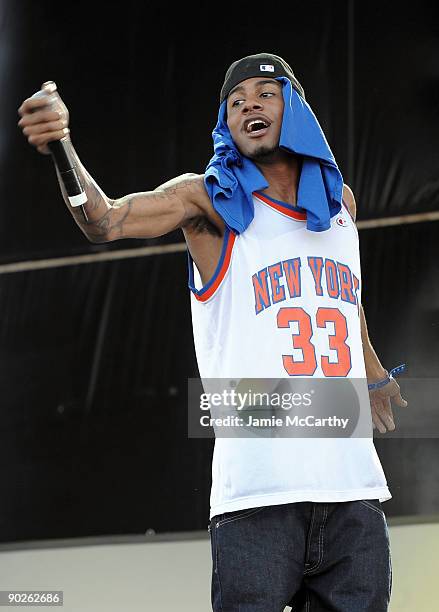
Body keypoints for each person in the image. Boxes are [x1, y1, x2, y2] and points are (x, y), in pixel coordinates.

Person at [18, 53, 408, 612]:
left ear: (294, 107)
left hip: (355, 493)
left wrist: (371, 370)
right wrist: (63, 149)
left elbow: (346, 298)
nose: (247, 102)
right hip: (258, 495)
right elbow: (104, 220)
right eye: (234, 100)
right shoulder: (209, 200)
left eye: (263, 93)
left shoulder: (339, 205)